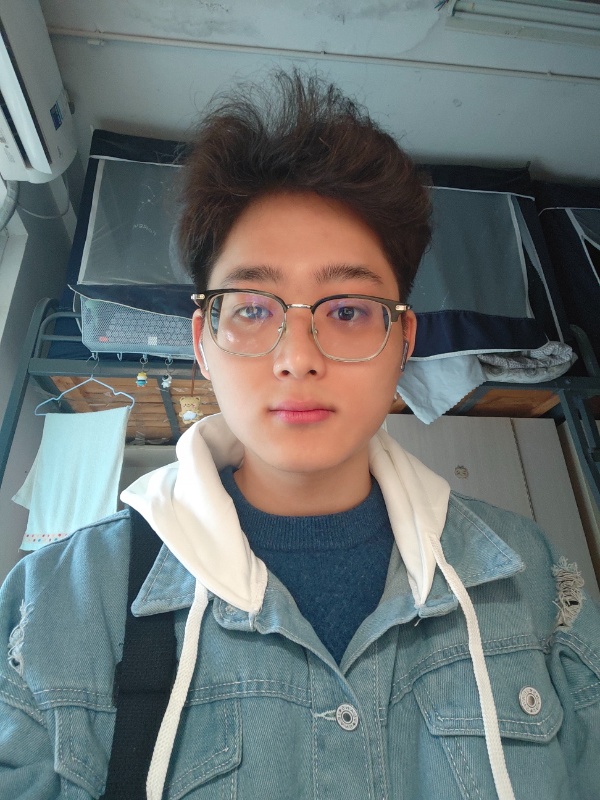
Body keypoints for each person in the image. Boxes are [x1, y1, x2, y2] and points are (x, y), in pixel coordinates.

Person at [1, 70, 599, 800]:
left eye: (346, 311)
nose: (297, 357)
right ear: (203, 341)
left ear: (403, 342)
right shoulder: (57, 605)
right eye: (252, 309)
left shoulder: (532, 580)